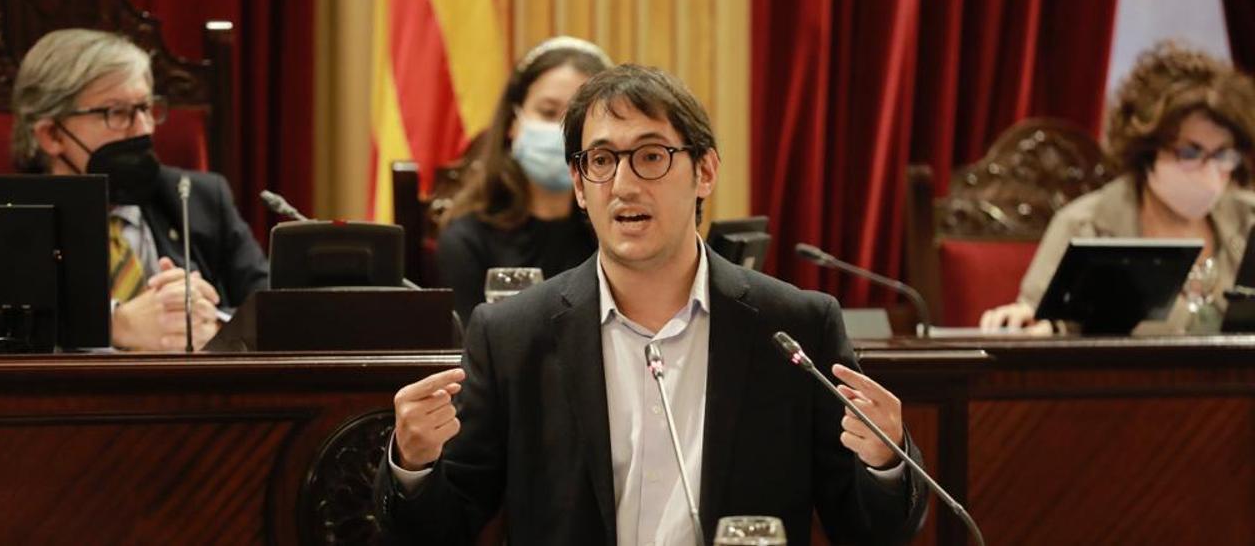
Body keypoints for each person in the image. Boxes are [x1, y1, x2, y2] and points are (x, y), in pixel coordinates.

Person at [375, 65, 929, 545]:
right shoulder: (512, 334)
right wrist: (413, 464)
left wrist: (884, 461)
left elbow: (869, 532)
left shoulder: (795, 327)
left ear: (705, 172)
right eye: (601, 160)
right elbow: (442, 529)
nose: (623, 184)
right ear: (578, 183)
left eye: (650, 156)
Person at [11, 29, 268, 351]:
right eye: (116, 112)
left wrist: (213, 328)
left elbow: (277, 313)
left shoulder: (198, 197)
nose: (143, 129)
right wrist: (115, 324)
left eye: (146, 108)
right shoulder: (8, 217)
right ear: (52, 135)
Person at [981, 42, 1255, 334]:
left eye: (1223, 154)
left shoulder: (1248, 218)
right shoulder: (1086, 225)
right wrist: (1033, 322)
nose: (1209, 171)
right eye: (1189, 152)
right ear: (1146, 151)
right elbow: (1041, 321)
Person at [437, 37, 610, 324]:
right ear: (513, 121)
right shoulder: (467, 240)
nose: (563, 131)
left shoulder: (617, 232)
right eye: (548, 112)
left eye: (578, 117)